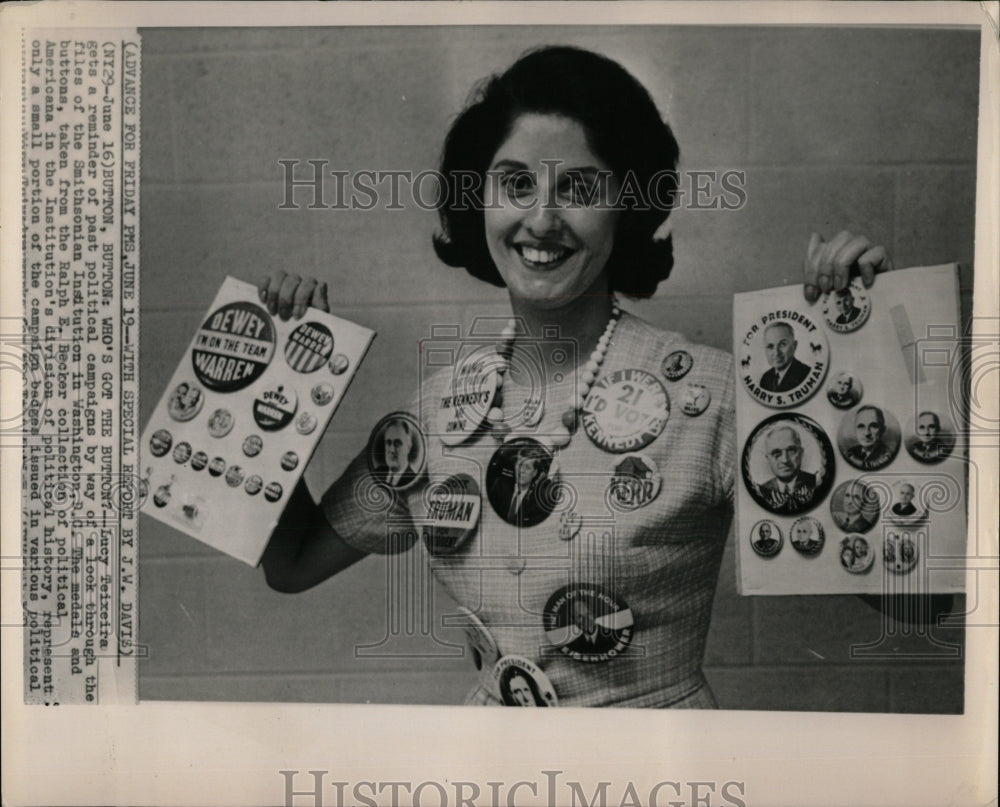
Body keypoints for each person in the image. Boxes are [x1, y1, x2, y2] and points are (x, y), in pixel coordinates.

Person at [257, 45, 892, 708]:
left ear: (628, 207)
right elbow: (292, 563)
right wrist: (279, 390)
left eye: (580, 188)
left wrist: (857, 348)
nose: (541, 219)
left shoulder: (714, 397)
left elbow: (917, 603)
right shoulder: (436, 412)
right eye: (516, 183)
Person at [758, 425, 817, 513]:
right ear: (768, 459)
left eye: (791, 451)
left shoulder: (815, 483)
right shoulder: (762, 491)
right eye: (776, 453)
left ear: (801, 453)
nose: (785, 460)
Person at [759, 322, 811, 393]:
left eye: (782, 344)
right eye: (770, 346)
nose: (776, 353)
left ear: (794, 346)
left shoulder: (807, 375)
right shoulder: (766, 378)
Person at [845, 405, 895, 469]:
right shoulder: (851, 453)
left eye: (873, 426)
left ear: (882, 430)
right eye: (861, 426)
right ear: (855, 430)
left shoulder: (887, 455)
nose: (867, 433)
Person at [375, 418, 419, 488]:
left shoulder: (414, 480)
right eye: (388, 443)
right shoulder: (377, 473)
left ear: (408, 447)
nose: (392, 450)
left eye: (397, 443)